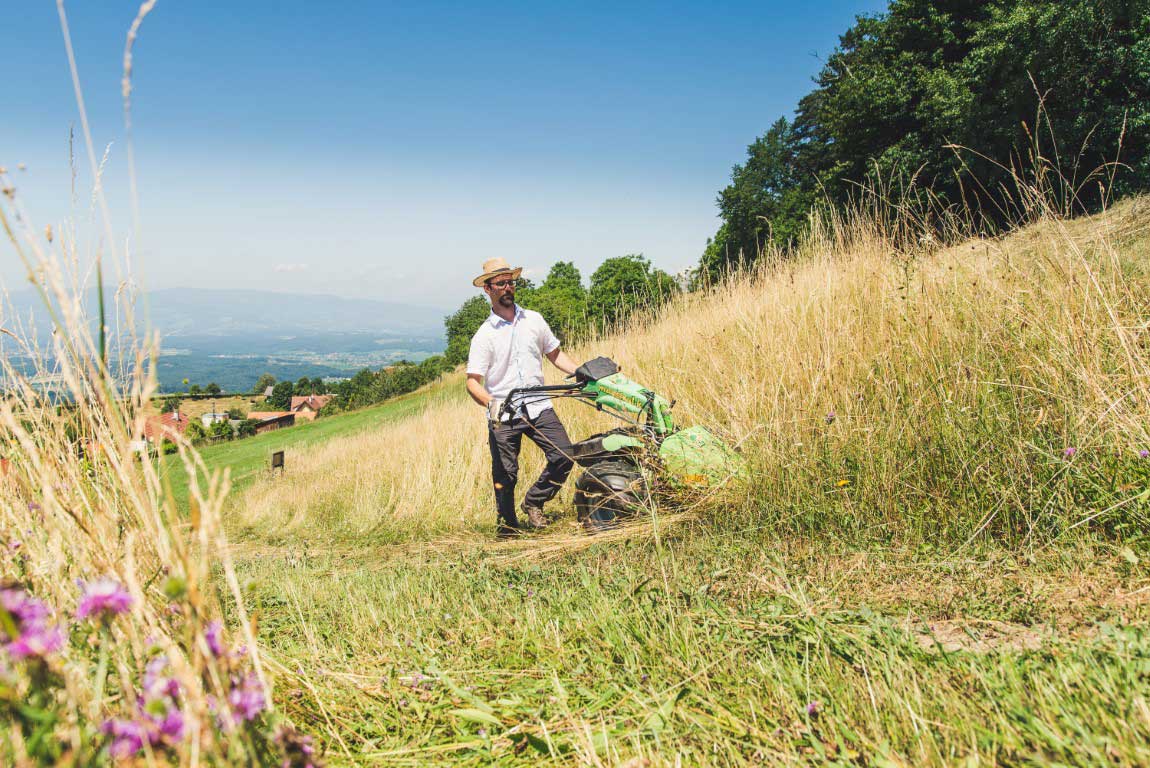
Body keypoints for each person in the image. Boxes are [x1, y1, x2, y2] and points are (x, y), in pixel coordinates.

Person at [465, 257, 579, 538]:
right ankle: (507, 530)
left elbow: (555, 355)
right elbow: (472, 382)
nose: (507, 287)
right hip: (504, 413)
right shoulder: (484, 336)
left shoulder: (534, 320)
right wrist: (490, 402)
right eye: (500, 283)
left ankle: (534, 502)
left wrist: (583, 371)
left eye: (511, 282)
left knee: (564, 454)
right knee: (506, 474)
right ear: (487, 289)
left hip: (539, 406)